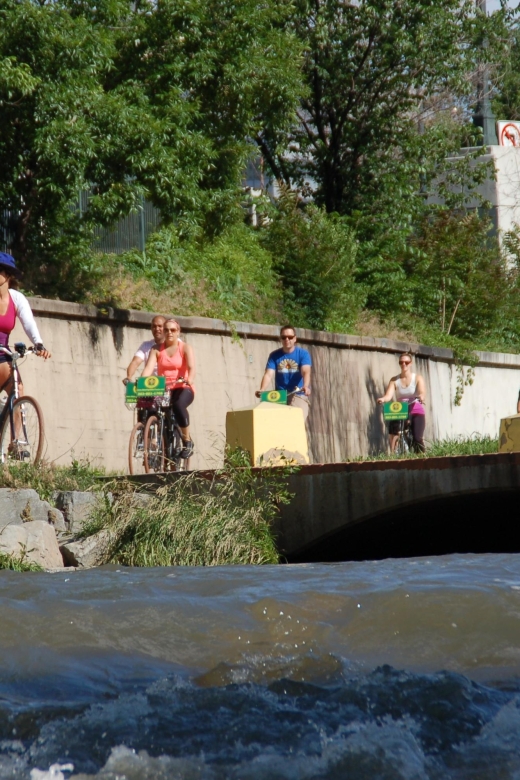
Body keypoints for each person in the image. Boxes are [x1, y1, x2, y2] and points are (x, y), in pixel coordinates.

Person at [142, 319, 195, 458]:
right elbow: (148, 369)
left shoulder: (185, 348)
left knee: (178, 405)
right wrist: (141, 382)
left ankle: (187, 441)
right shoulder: (156, 349)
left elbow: (191, 367)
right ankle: (154, 439)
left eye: (172, 330)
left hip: (182, 386)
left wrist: (190, 379)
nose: (169, 332)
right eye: (166, 330)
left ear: (178, 331)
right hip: (164, 387)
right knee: (149, 405)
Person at [0, 252, 51, 396]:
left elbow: (29, 322)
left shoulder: (17, 298)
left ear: (8, 275)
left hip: (3, 355)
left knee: (18, 390)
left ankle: (17, 418)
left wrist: (38, 343)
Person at [256, 325, 312, 420]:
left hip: (297, 394)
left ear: (295, 339)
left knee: (296, 422)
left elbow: (305, 372)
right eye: (284, 337)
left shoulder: (303, 354)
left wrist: (305, 386)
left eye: (290, 337)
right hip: (280, 396)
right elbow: (268, 374)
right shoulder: (274, 356)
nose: (287, 339)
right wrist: (262, 389)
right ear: (280, 339)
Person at [377, 352, 426, 452]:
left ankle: (422, 457)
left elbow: (422, 391)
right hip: (401, 409)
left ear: (411, 363)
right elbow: (388, 395)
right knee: (394, 432)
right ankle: (394, 453)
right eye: (401, 362)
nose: (404, 364)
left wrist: (421, 396)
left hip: (415, 409)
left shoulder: (417, 378)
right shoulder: (394, 380)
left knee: (417, 438)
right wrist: (383, 399)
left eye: (406, 362)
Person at [123, 315, 166, 383]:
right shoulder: (146, 345)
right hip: (151, 385)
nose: (157, 329)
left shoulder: (175, 343)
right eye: (154, 326)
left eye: (160, 326)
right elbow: (135, 362)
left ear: (166, 328)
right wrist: (129, 377)